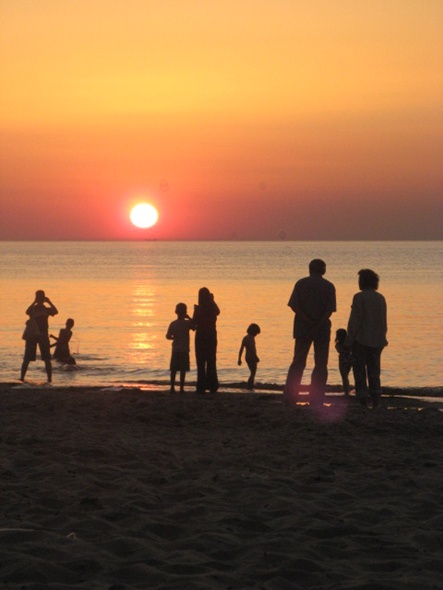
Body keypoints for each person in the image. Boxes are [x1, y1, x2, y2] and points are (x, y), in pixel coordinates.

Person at [283, 259, 336, 406]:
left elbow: (294, 306)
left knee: (298, 362)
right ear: (323, 270)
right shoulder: (329, 286)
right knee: (321, 364)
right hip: (322, 329)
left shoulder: (301, 283)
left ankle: (290, 397)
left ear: (310, 269)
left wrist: (307, 321)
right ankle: (317, 398)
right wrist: (317, 324)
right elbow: (329, 310)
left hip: (302, 327)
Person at [345, 269, 388, 408]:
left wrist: (349, 339)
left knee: (359, 371)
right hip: (378, 339)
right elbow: (383, 320)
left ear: (362, 282)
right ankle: (376, 398)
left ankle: (363, 398)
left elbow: (355, 320)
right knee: (374, 370)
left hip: (361, 339)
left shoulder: (359, 297)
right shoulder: (380, 297)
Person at [20, 290, 58, 383]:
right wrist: (35, 302)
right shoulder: (35, 309)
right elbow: (27, 311)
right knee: (29, 358)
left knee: (46, 358)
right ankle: (22, 377)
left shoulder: (46, 309)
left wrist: (48, 302)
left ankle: (49, 379)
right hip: (34, 335)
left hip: (42, 335)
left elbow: (56, 311)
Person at [192, 287, 220, 394]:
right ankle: (213, 385)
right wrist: (212, 300)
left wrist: (189, 319)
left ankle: (201, 386)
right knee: (211, 360)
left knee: (200, 361)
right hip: (211, 335)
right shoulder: (212, 309)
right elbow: (218, 311)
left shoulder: (198, 309)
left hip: (201, 335)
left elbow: (194, 324)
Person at [166, 303, 194, 393]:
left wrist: (173, 338)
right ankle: (181, 388)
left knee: (173, 369)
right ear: (185, 312)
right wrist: (189, 317)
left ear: (176, 312)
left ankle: (172, 387)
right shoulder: (187, 323)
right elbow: (194, 327)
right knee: (183, 370)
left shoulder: (173, 324)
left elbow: (167, 336)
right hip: (184, 350)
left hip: (175, 350)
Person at [238, 323, 261, 390]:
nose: (256, 335)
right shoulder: (251, 338)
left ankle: (250, 385)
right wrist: (256, 357)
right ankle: (249, 385)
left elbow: (241, 349)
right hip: (252, 357)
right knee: (253, 372)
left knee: (252, 372)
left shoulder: (245, 338)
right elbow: (251, 348)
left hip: (247, 357)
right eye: (256, 333)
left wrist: (239, 359)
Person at [335, 328, 353, 396]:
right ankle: (347, 390)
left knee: (344, 376)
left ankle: (346, 391)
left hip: (342, 361)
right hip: (350, 359)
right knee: (346, 376)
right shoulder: (349, 344)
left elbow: (340, 351)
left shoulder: (338, 345)